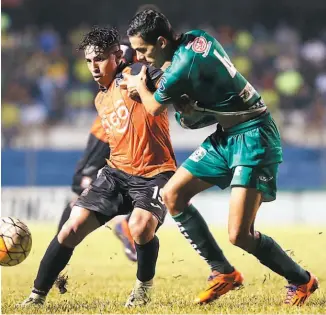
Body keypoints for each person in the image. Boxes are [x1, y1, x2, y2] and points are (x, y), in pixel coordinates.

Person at [122, 9, 319, 306]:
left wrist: (140, 85)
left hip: (254, 136)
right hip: (227, 136)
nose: (138, 57)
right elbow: (194, 102)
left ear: (161, 42)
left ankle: (302, 280)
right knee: (173, 194)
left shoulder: (180, 68)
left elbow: (152, 108)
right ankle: (222, 271)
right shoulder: (197, 39)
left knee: (240, 234)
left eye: (142, 50)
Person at [21, 26, 177, 307]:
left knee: (140, 227)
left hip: (155, 173)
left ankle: (143, 287)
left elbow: (165, 71)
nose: (94, 67)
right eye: (89, 61)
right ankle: (36, 296)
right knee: (71, 227)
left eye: (100, 59)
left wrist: (147, 72)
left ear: (117, 56)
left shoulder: (134, 75)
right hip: (116, 174)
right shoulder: (100, 98)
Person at [57, 114, 137, 264]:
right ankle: (127, 224)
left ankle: (58, 251)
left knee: (82, 183)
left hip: (115, 127)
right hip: (121, 128)